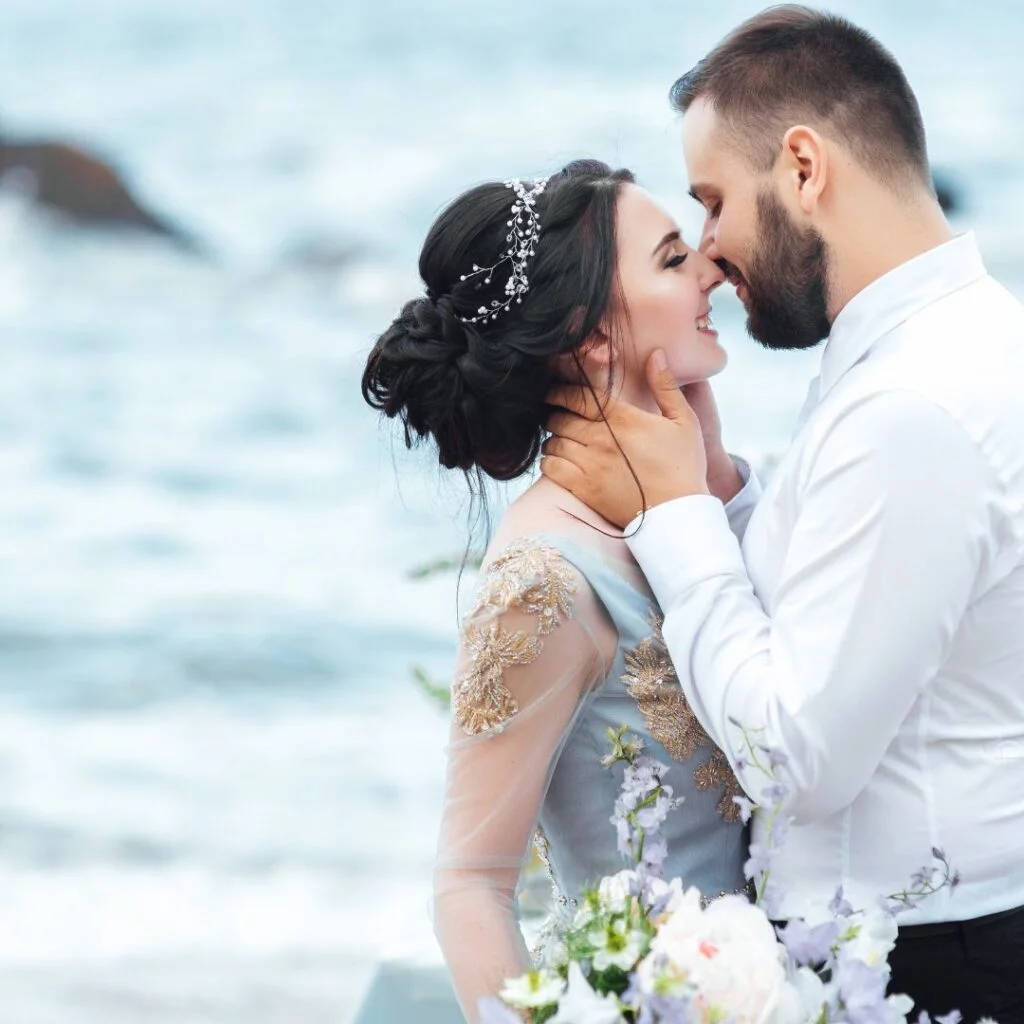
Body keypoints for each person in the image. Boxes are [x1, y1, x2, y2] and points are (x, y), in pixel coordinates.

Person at [540, 8, 1024, 1021]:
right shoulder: (945, 343)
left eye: (714, 202)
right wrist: (726, 491)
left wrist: (674, 515)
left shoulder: (910, 403)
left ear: (802, 167)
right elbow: (864, 598)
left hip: (927, 966)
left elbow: (794, 756)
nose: (708, 253)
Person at [361, 160, 751, 1022]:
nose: (712, 271)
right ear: (592, 337)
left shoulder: (694, 513)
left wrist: (712, 482)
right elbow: (469, 883)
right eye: (672, 259)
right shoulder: (547, 578)